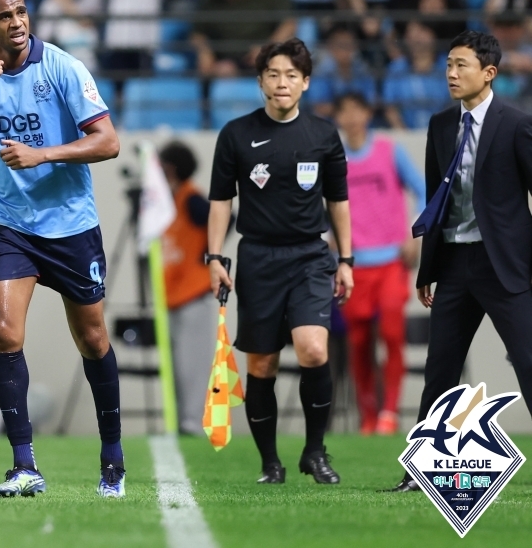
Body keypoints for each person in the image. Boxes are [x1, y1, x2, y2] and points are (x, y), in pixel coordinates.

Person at [0, 0, 124, 498]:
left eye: (21, 12)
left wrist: (43, 154)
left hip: (69, 225)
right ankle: (25, 465)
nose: (16, 22)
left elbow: (108, 141)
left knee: (92, 338)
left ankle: (112, 458)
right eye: (4, 16)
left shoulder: (63, 67)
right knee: (5, 332)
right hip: (9, 226)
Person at [387, 30, 532, 492]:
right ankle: (422, 471)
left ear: (489, 73)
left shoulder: (516, 124)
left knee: (529, 363)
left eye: (461, 65)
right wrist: (428, 269)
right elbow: (437, 199)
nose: (451, 73)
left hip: (504, 266)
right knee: (441, 369)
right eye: (448, 64)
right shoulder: (440, 124)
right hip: (453, 265)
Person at [207, 37, 353, 485]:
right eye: (273, 74)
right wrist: (214, 256)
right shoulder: (235, 133)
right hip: (257, 259)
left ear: (306, 82)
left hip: (311, 255)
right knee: (262, 366)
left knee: (313, 348)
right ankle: (270, 462)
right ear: (260, 81)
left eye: (292, 74)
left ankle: (315, 451)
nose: (282, 82)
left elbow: (339, 202)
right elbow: (219, 201)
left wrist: (346, 259)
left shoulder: (324, 135)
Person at [334, 93, 426, 436]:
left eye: (359, 110)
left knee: (392, 333)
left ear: (368, 114)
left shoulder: (389, 151)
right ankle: (368, 415)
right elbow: (316, 203)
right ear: (338, 117)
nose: (353, 117)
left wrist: (414, 234)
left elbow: (425, 190)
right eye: (346, 111)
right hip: (353, 264)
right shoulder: (334, 158)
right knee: (358, 342)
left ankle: (389, 412)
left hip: (391, 260)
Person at [159, 140, 225, 435]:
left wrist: (210, 253)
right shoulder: (164, 203)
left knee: (192, 365)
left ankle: (192, 422)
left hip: (193, 295)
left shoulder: (191, 199)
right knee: (174, 365)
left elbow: (224, 218)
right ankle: (179, 420)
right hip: (171, 295)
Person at [192, 0, 296, 77]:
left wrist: (267, 49)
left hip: (264, 60)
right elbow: (197, 33)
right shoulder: (211, 1)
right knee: (223, 73)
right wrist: (204, 51)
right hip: (225, 63)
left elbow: (289, 24)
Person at [37, 0, 104, 72]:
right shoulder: (50, 2)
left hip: (89, 63)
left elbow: (87, 22)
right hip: (60, 65)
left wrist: (64, 2)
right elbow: (44, 35)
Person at [384, 21, 450, 130]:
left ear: (433, 35)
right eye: (411, 32)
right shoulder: (396, 68)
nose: (416, 37)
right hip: (406, 135)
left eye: (421, 31)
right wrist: (405, 135)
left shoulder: (448, 65)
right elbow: (390, 108)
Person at [307, 25, 377, 118]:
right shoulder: (321, 73)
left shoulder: (363, 71)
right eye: (340, 45)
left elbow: (371, 102)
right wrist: (348, 111)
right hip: (329, 125)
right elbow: (319, 107)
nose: (344, 50)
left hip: (360, 123)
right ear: (330, 47)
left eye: (348, 44)